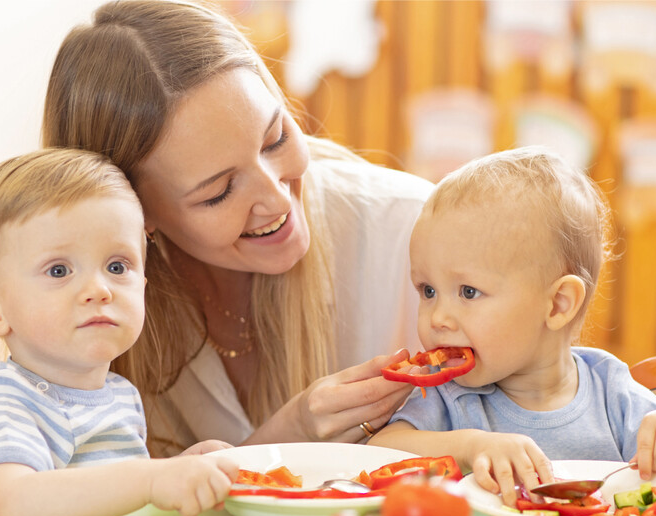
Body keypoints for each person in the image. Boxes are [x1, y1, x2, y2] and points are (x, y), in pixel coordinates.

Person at [41, 0, 434, 457]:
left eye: (276, 139)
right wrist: (294, 431)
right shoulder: (93, 301)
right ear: (135, 209)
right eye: (219, 192)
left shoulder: (413, 230)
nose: (276, 197)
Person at [368, 146, 656, 512]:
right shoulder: (448, 395)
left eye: (468, 292)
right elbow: (376, 454)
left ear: (558, 305)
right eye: (428, 291)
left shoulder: (612, 392)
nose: (437, 317)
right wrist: (467, 447)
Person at [0, 148, 238, 516]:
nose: (98, 290)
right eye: (59, 270)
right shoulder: (0, 401)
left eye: (117, 267)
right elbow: (15, 506)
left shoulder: (119, 394)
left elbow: (115, 503)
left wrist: (182, 472)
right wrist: (152, 478)